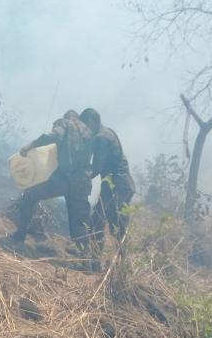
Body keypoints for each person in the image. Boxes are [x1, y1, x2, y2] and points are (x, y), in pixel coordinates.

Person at [10, 110, 95, 255]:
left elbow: (53, 136)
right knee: (80, 222)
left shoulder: (66, 123)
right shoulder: (88, 132)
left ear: (67, 117)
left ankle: (20, 235)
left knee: (29, 195)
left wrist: (30, 146)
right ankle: (88, 260)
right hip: (82, 182)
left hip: (64, 178)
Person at [80, 108, 135, 252]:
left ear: (91, 121)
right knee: (99, 222)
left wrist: (80, 176)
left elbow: (97, 167)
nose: (85, 130)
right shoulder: (107, 132)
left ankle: (116, 264)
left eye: (85, 125)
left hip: (116, 186)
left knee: (114, 226)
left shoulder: (101, 138)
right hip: (121, 185)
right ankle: (97, 261)